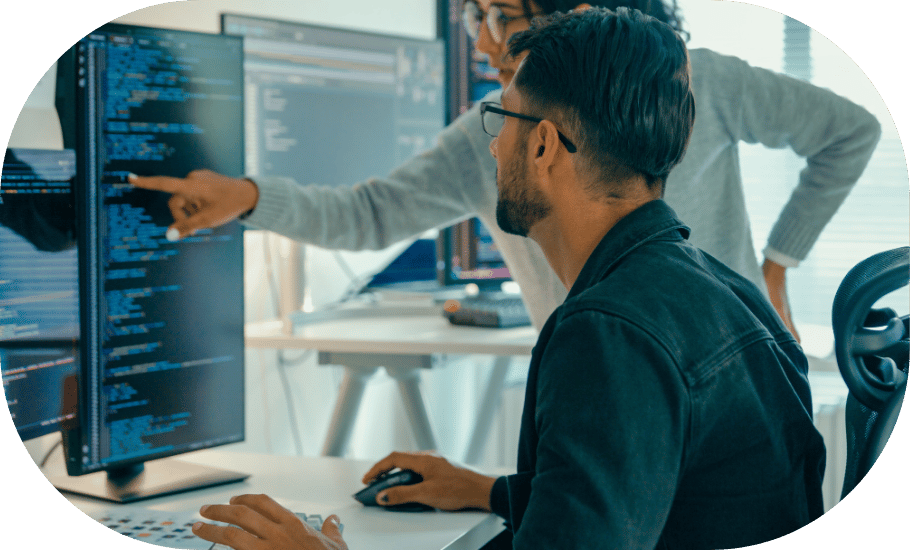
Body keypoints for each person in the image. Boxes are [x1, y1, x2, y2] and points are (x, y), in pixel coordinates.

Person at [190, 8, 826, 549]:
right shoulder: (725, 290)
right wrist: (489, 490)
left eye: (503, 121)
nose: (491, 148)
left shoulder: (609, 333)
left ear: (544, 145)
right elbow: (643, 493)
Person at [130, 0, 882, 340]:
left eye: (494, 15)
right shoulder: (491, 134)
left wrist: (778, 266)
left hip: (708, 376)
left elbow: (851, 131)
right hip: (593, 391)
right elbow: (370, 214)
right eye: (471, 17)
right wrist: (251, 197)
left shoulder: (701, 82)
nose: (480, 42)